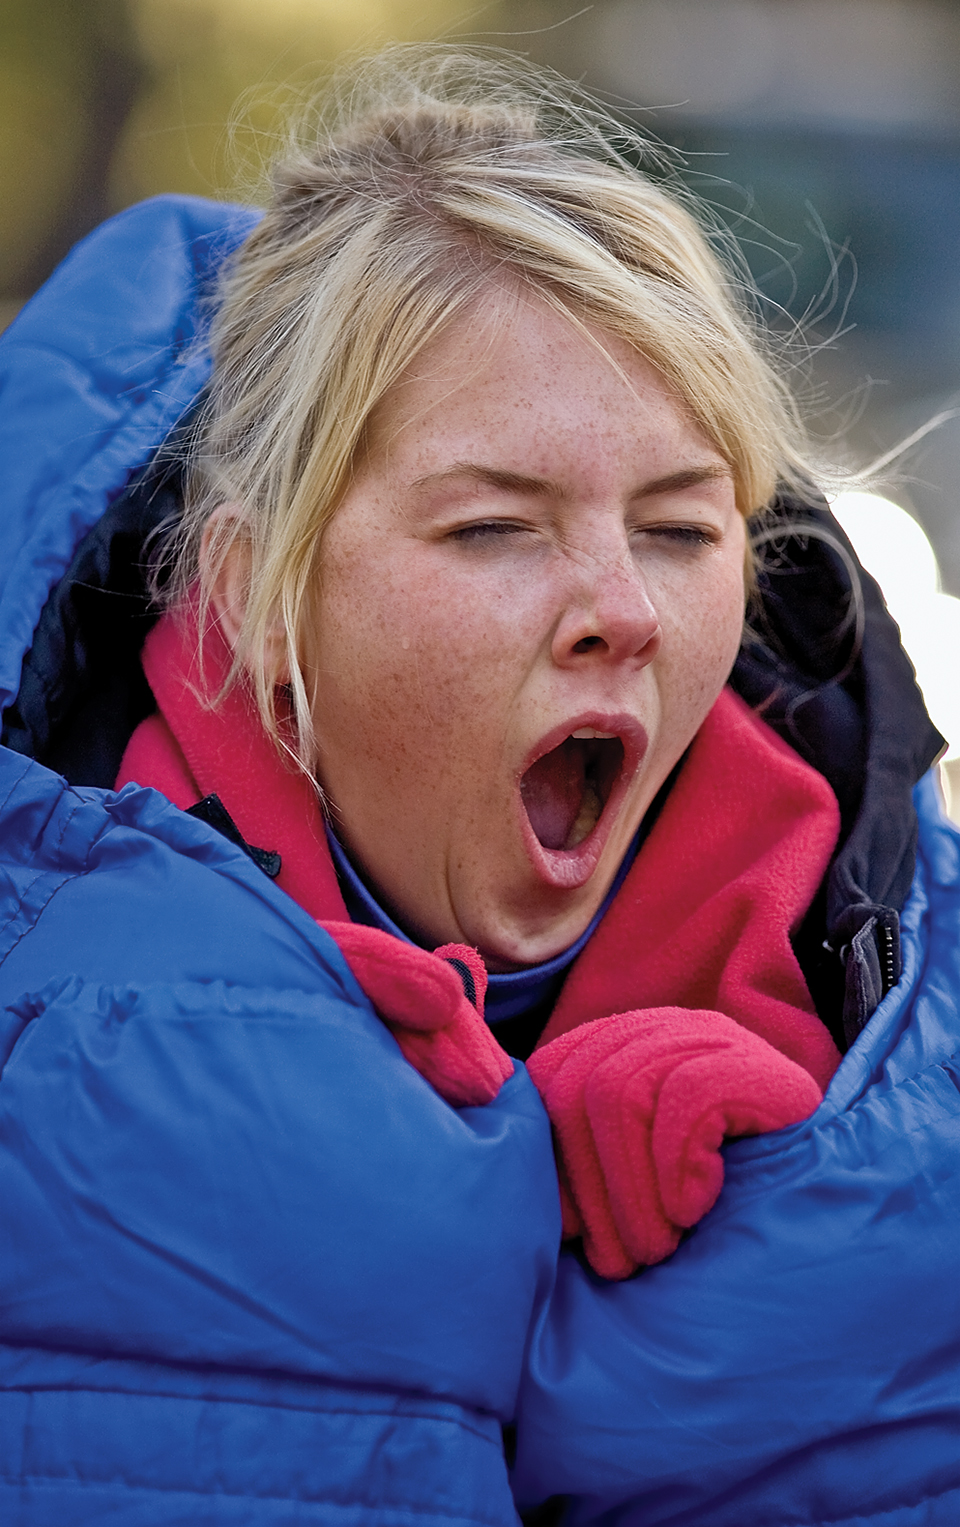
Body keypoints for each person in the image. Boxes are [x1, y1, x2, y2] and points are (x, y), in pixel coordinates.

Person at [0, 45, 957, 1527]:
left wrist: (802, 1193)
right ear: (260, 592)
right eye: (498, 528)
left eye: (682, 530)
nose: (621, 609)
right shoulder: (38, 989)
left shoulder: (907, 1023)